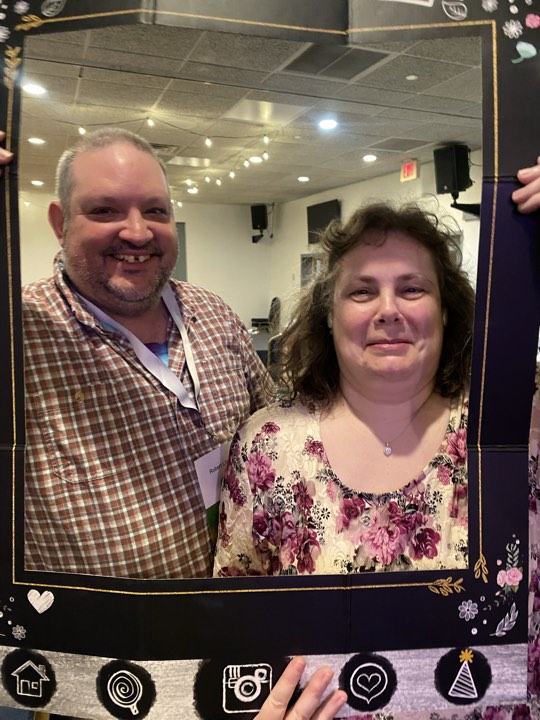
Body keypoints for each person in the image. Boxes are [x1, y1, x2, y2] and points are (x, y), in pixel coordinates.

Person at [0, 129, 348, 720]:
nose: (137, 232)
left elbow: (282, 436)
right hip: (105, 675)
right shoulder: (20, 329)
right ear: (60, 222)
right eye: (105, 210)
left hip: (240, 649)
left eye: (155, 211)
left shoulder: (211, 312)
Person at [214, 201, 473, 575]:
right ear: (330, 315)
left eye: (412, 289)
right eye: (362, 292)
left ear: (445, 310)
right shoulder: (267, 445)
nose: (388, 310)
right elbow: (238, 599)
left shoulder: (513, 429)